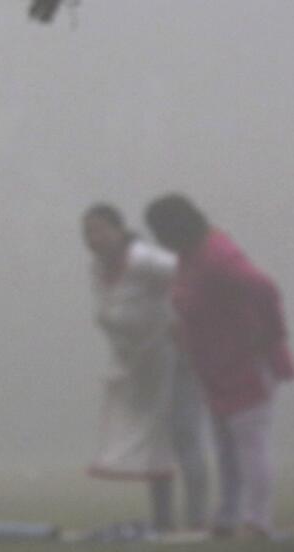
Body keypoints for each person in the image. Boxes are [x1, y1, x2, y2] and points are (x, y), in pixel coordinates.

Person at [145, 194, 294, 538]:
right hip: (215, 366)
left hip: (246, 365)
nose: (159, 239)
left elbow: (265, 288)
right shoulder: (189, 255)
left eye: (160, 231)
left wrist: (271, 339)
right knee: (225, 446)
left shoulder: (219, 258)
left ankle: (258, 521)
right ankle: (228, 515)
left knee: (250, 442)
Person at [81, 203, 207, 532]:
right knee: (156, 441)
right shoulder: (97, 268)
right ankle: (163, 520)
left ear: (119, 229)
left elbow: (187, 275)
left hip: (175, 359)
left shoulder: (144, 259)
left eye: (99, 229)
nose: (93, 238)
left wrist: (181, 321)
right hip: (141, 366)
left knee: (184, 435)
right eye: (87, 232)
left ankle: (197, 519)